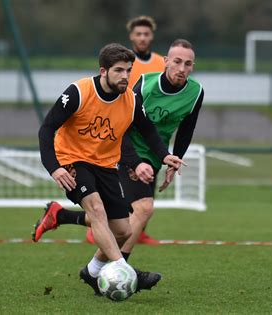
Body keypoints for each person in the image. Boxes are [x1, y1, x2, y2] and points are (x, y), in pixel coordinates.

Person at [33, 43, 185, 296]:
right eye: (119, 71)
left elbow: (148, 131)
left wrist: (165, 155)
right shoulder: (79, 92)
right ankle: (126, 271)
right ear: (103, 71)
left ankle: (91, 271)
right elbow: (46, 129)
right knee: (97, 208)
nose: (125, 76)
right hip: (72, 161)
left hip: (106, 165)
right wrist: (54, 168)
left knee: (124, 231)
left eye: (128, 70)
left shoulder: (131, 100)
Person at [86, 15, 165, 245]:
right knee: (120, 182)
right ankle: (98, 224)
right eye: (138, 34)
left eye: (146, 34)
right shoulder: (122, 60)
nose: (142, 37)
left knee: (148, 184)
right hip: (123, 126)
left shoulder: (161, 63)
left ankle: (139, 230)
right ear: (131, 36)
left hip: (148, 127)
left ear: (151, 36)